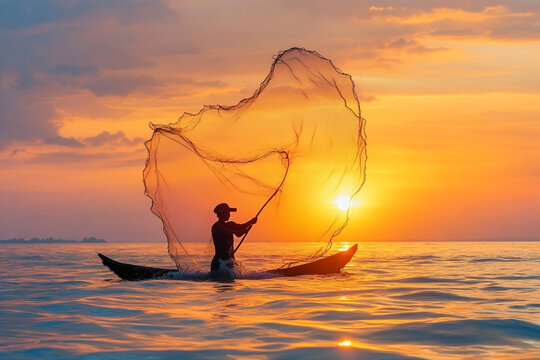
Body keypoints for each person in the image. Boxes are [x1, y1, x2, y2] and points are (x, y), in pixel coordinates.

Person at [211, 203, 257, 272]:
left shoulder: (230, 224)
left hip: (229, 261)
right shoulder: (217, 227)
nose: (229, 215)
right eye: (227, 213)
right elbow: (238, 233)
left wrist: (251, 221)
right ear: (222, 214)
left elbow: (241, 227)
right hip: (219, 262)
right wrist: (247, 229)